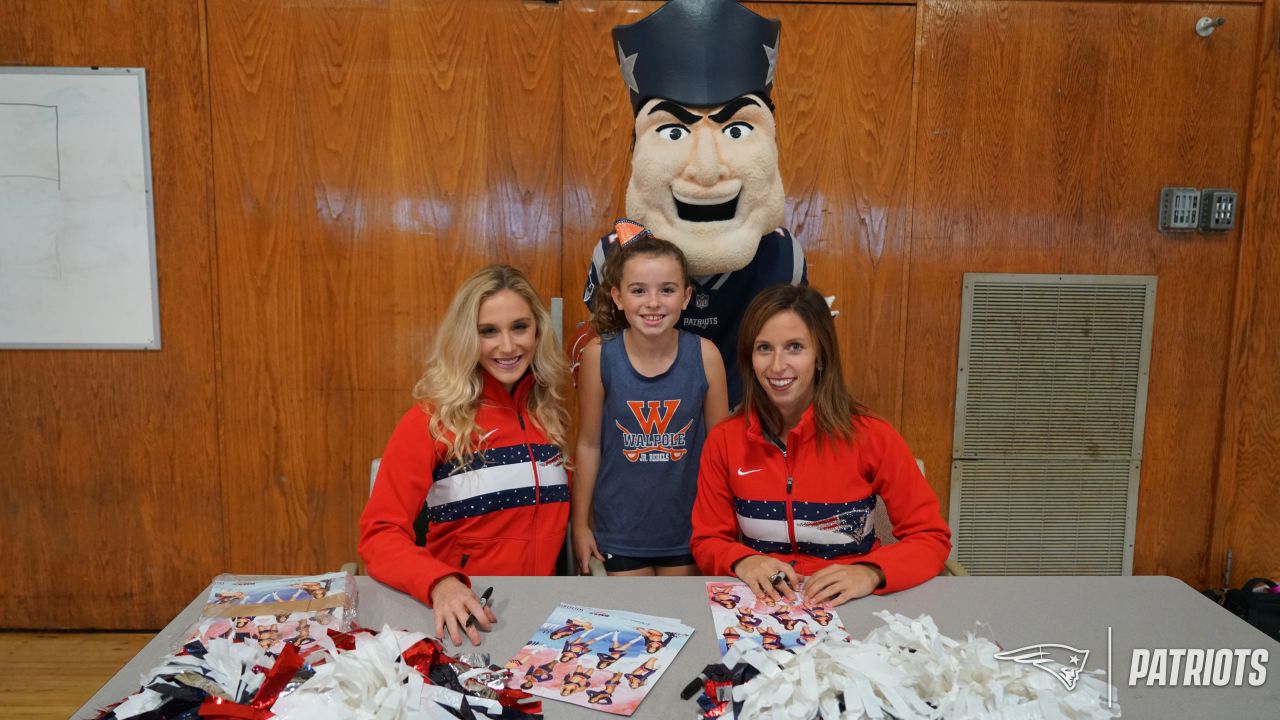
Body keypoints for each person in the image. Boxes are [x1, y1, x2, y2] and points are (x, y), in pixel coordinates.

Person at [576, 0, 806, 407]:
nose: (705, 170)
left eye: (735, 131)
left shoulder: (782, 256)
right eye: (673, 133)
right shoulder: (616, 252)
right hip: (650, 439)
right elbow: (606, 361)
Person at [691, 285, 951, 605]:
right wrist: (744, 560)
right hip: (762, 604)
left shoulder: (873, 436)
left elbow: (931, 538)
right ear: (750, 358)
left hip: (854, 602)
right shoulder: (724, 440)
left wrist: (871, 572)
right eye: (764, 348)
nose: (776, 366)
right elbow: (707, 539)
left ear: (821, 356)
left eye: (795, 347)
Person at [358, 265, 572, 646]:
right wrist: (439, 582)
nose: (507, 347)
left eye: (519, 327)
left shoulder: (548, 416)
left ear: (538, 331)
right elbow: (379, 535)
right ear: (465, 337)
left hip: (542, 616)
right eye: (488, 331)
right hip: (463, 615)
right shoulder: (431, 420)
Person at [572, 226, 730, 576]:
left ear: (686, 297)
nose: (653, 303)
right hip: (620, 529)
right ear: (617, 296)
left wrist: (722, 527)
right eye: (639, 290)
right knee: (635, 627)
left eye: (667, 290)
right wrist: (581, 525)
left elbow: (720, 452)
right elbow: (588, 444)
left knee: (686, 627)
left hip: (688, 529)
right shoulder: (599, 356)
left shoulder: (706, 356)